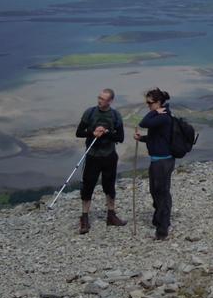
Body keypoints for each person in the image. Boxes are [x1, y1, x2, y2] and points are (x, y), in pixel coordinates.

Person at [75, 88, 126, 234]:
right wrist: (93, 133)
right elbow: (79, 132)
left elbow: (120, 137)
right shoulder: (90, 113)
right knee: (88, 186)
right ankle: (84, 218)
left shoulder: (115, 115)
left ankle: (111, 215)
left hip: (109, 155)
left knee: (109, 186)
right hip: (92, 156)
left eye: (103, 99)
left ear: (110, 101)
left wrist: (106, 133)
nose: (99, 101)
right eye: (99, 98)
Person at [134, 88, 175, 240]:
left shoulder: (163, 116)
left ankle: (162, 229)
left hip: (162, 161)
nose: (148, 105)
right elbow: (159, 137)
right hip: (159, 160)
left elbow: (143, 122)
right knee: (157, 191)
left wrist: (154, 112)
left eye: (150, 103)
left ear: (158, 103)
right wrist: (142, 139)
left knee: (161, 193)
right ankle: (160, 219)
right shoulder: (162, 116)